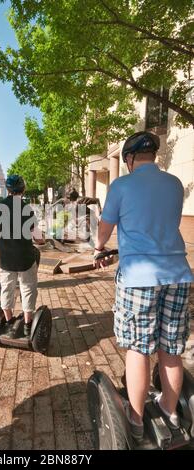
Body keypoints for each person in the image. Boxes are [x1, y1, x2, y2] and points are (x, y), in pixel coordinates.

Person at [93, 131, 194, 440]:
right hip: (177, 274)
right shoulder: (175, 184)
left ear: (129, 159)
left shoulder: (121, 185)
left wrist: (99, 248)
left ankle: (135, 421)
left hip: (139, 278)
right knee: (171, 348)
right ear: (154, 156)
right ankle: (169, 408)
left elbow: (104, 229)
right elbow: (164, 224)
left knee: (138, 349)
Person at [0, 175, 44, 337]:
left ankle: (8, 322)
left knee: (6, 289)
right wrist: (41, 239)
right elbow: (38, 238)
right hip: (25, 258)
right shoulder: (27, 209)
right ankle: (28, 325)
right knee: (28, 289)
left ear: (7, 189)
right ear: (23, 189)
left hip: (6, 259)